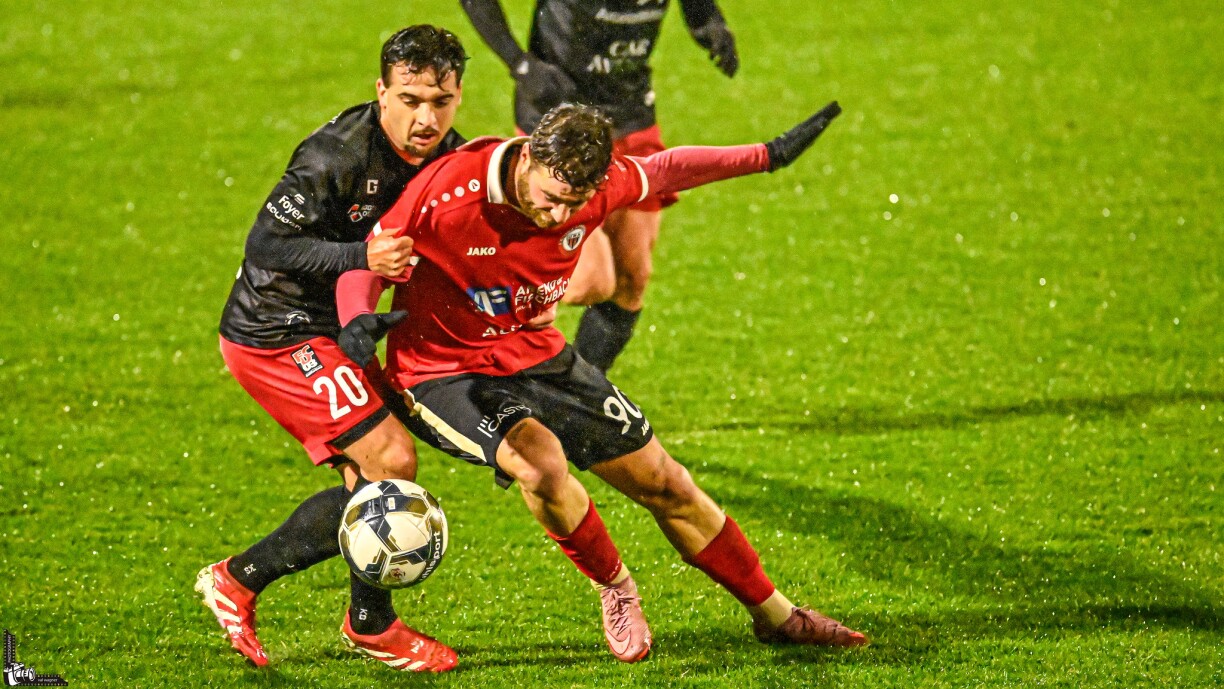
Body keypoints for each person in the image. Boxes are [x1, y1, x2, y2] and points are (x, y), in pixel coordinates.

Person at [335, 102, 864, 663]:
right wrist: (355, 321)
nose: (559, 214)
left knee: (667, 483)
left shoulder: (598, 183)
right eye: (550, 196)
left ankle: (777, 616)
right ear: (530, 157)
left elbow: (668, 170)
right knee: (537, 463)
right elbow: (371, 260)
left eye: (575, 204)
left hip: (537, 351)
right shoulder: (447, 191)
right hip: (443, 370)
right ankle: (615, 587)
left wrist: (767, 156)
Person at [194, 25, 467, 673]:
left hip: (333, 325)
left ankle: (365, 620)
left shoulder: (448, 154)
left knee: (369, 478)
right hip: (275, 329)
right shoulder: (334, 157)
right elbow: (265, 245)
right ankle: (248, 581)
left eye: (441, 100)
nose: (425, 117)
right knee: (389, 456)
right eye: (409, 99)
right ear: (381, 91)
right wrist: (360, 255)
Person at [460, 0, 740, 371]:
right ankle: (478, 329)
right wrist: (521, 65)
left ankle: (577, 402)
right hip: (562, 124)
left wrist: (708, 23)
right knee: (589, 281)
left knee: (632, 278)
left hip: (630, 115)